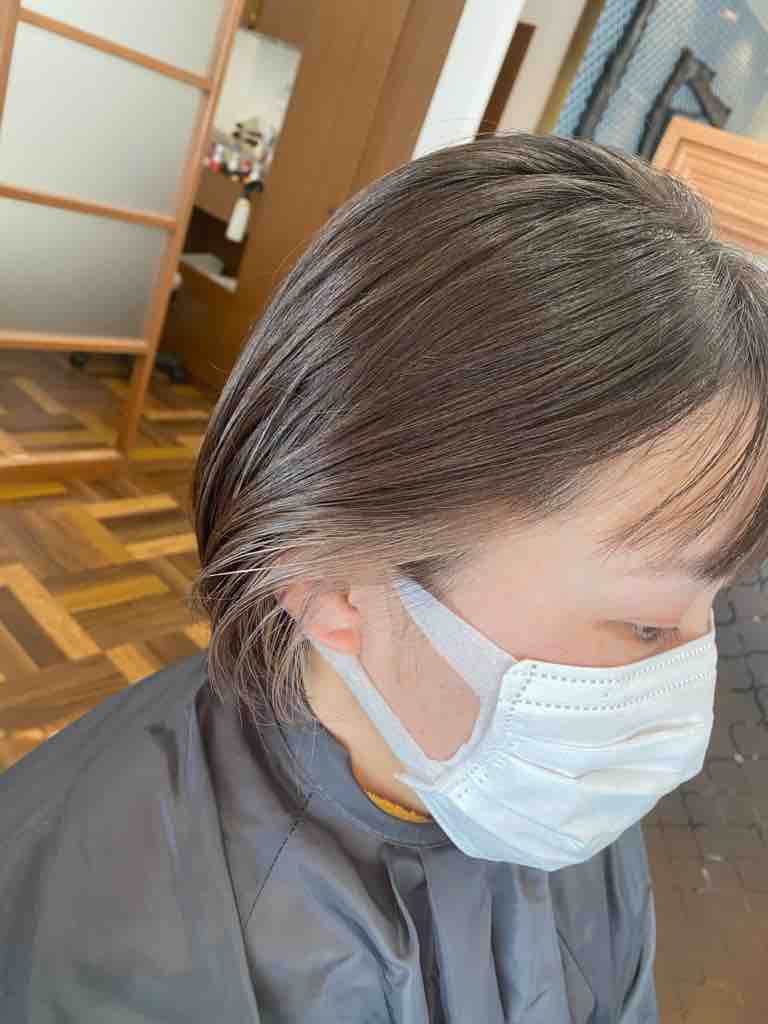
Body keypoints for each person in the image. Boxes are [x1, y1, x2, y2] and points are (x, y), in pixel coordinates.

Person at [2, 133, 768, 1024]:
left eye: (718, 603)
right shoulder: (105, 936)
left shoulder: (560, 809)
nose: (689, 677)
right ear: (334, 581)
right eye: (647, 625)